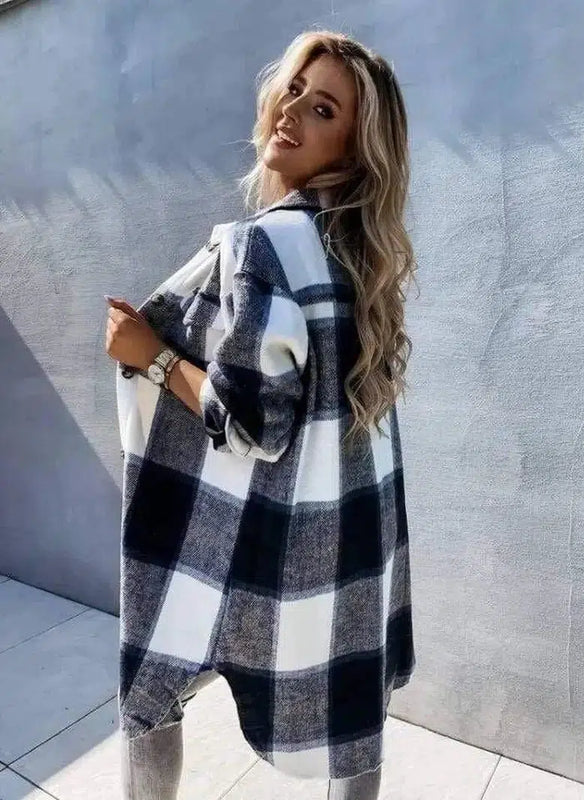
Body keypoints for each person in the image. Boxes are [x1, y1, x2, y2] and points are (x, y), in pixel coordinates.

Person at [106, 28, 418, 800]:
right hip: (350, 537)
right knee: (353, 706)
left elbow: (251, 425)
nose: (291, 113)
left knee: (153, 687)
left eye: (323, 110)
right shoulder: (363, 258)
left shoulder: (264, 247)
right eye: (294, 91)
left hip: (262, 533)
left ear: (355, 148)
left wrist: (151, 354)